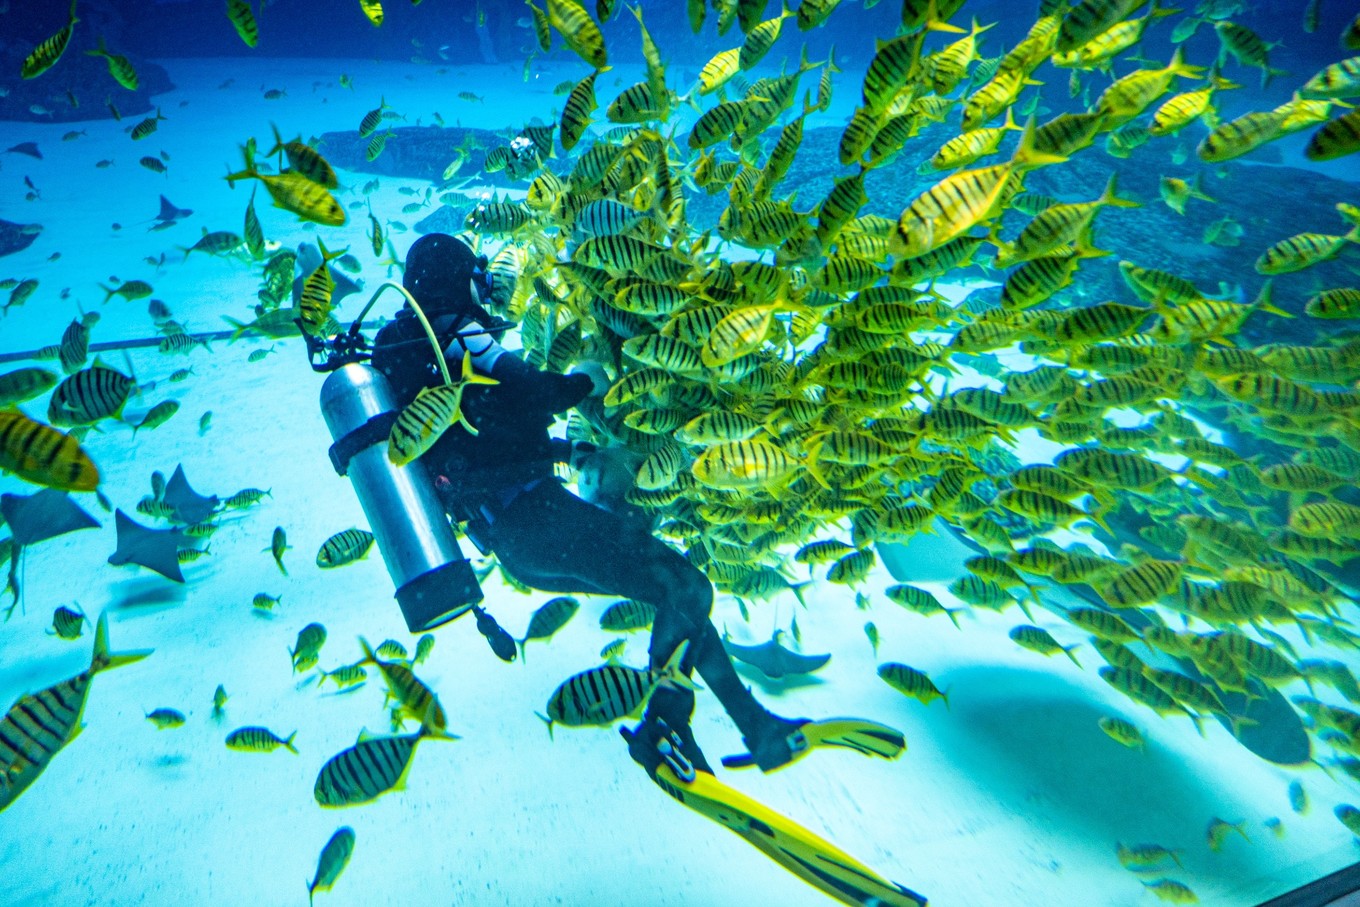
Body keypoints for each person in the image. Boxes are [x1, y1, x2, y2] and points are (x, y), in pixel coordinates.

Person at [370, 233, 925, 907]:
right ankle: (666, 729)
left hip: (515, 534)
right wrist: (597, 379)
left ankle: (755, 724)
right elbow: (539, 392)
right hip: (536, 524)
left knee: (676, 589)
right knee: (686, 584)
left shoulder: (409, 350)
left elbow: (482, 435)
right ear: (460, 280)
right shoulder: (461, 338)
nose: (489, 289)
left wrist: (563, 448)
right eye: (479, 277)